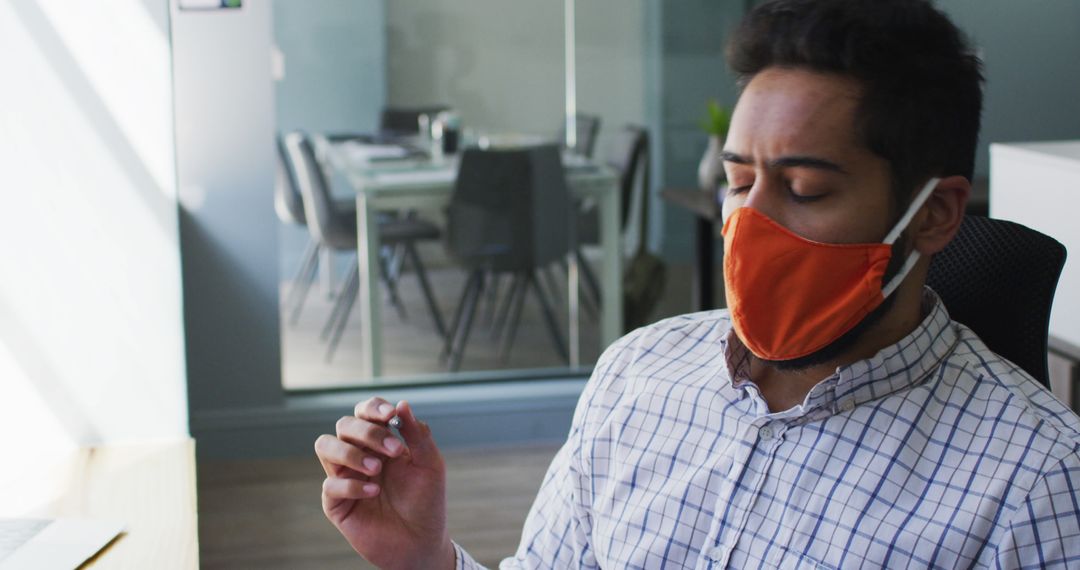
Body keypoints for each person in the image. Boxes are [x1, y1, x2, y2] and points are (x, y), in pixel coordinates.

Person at [315, 1, 1080, 568]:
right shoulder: (637, 373)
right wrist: (427, 558)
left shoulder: (1036, 482)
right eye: (737, 181)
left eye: (805, 189)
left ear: (935, 214)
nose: (751, 223)